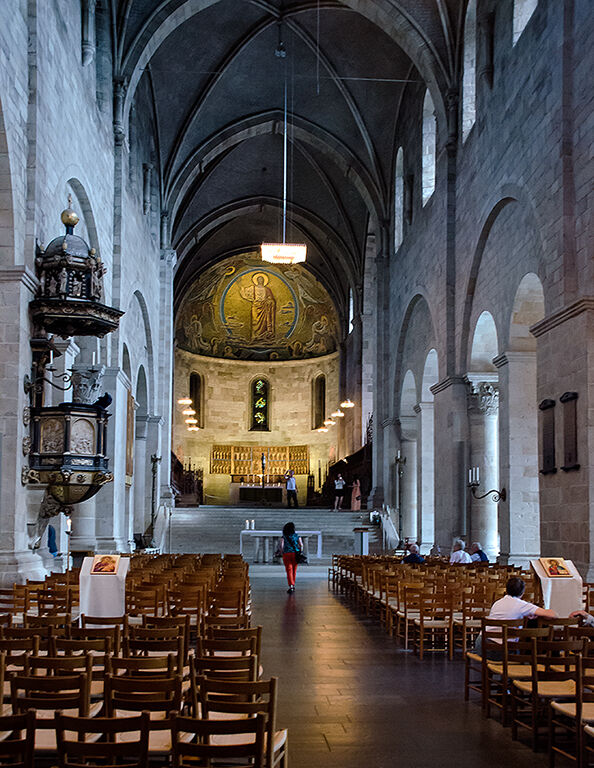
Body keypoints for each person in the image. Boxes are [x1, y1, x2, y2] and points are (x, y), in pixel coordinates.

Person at [475, 576, 557, 657]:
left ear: (506, 590)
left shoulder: (497, 603)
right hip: (499, 650)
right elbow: (552, 615)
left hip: (481, 645)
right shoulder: (521, 604)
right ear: (522, 592)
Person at [279, 522, 303, 594]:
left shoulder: (284, 536)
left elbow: (281, 546)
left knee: (289, 570)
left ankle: (291, 585)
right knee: (294, 570)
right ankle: (293, 584)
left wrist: (281, 552)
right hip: (295, 554)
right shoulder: (296, 536)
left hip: (287, 554)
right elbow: (301, 545)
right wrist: (300, 552)